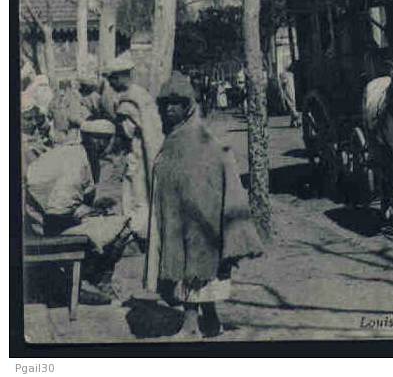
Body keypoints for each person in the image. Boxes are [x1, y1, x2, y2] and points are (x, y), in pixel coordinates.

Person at [145, 72, 263, 339]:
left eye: (177, 103)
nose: (170, 109)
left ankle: (190, 325)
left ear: (189, 106)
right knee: (197, 269)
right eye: (165, 104)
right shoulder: (175, 136)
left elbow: (205, 184)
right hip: (180, 215)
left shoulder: (198, 139)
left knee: (195, 266)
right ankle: (210, 319)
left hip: (198, 220)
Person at [25, 92, 132, 306]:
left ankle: (89, 280)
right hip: (44, 225)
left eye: (105, 140)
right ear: (85, 137)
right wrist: (82, 213)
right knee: (125, 227)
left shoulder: (85, 155)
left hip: (48, 217)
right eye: (95, 139)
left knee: (112, 219)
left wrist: (88, 210)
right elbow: (57, 209)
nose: (101, 144)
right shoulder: (76, 160)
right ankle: (87, 281)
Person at [104, 52, 165, 241]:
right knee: (139, 191)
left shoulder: (129, 100)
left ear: (121, 77)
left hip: (138, 150)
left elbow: (128, 131)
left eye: (113, 79)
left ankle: (141, 232)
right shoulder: (141, 94)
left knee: (137, 194)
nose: (111, 84)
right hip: (144, 148)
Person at [279, 63, 301, 128]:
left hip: (287, 88)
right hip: (291, 88)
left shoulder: (284, 74)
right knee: (291, 101)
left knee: (290, 102)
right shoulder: (291, 74)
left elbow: (283, 83)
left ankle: (296, 117)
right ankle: (293, 122)